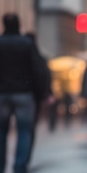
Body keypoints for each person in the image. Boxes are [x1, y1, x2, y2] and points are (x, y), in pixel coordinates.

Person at [0, 13, 45, 173]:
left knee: (1, 131)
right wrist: (40, 94)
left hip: (1, 94)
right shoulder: (27, 44)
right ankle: (19, 170)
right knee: (24, 131)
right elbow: (37, 71)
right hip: (24, 93)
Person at [23, 32, 53, 164]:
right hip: (32, 97)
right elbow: (44, 75)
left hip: (7, 93)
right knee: (28, 129)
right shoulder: (38, 56)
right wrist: (45, 94)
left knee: (4, 130)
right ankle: (24, 159)